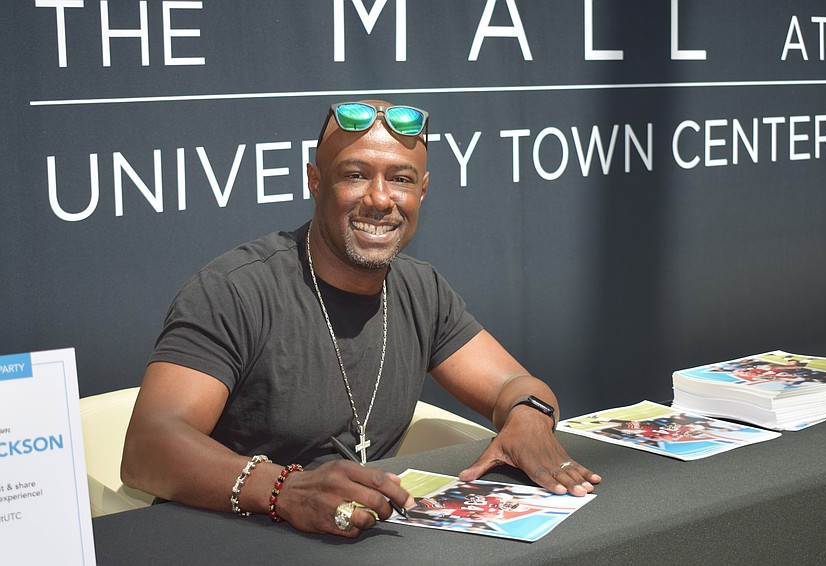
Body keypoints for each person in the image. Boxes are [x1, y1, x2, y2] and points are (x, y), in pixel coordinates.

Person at [121, 100, 601, 538]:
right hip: (230, 538)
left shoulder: (421, 289)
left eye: (401, 178)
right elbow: (149, 446)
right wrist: (285, 490)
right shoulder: (234, 289)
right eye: (355, 175)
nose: (379, 198)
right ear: (315, 181)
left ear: (423, 190)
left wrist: (529, 419)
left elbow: (514, 385)